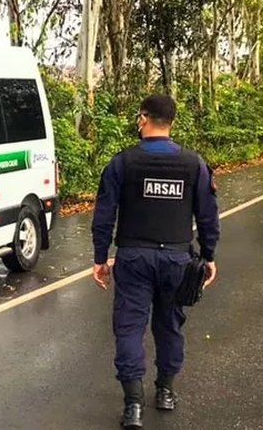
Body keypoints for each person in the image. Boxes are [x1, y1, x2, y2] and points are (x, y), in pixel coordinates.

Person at [91, 94, 220, 429]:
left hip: (133, 259)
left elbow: (104, 214)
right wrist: (208, 256)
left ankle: (133, 404)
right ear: (172, 122)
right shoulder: (194, 164)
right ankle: (165, 390)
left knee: (130, 327)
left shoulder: (123, 163)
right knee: (169, 325)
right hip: (177, 259)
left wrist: (100, 258)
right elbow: (208, 216)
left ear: (143, 118)